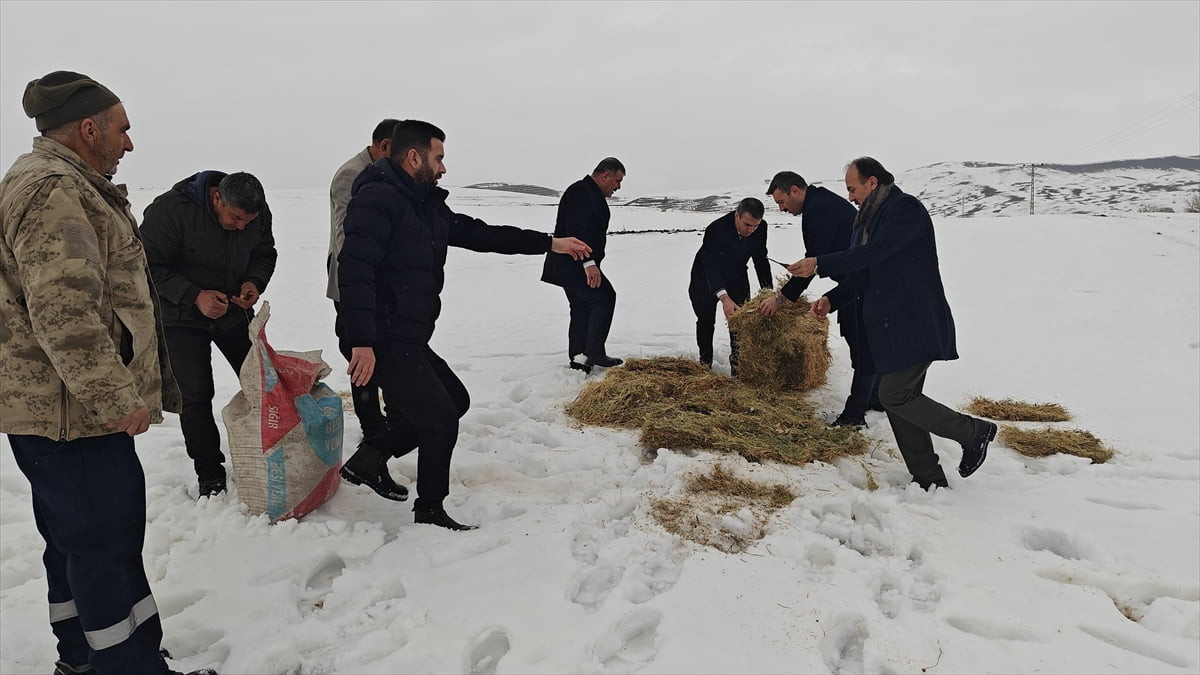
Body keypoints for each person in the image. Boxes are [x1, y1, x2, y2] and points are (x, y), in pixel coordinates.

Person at [0, 71, 187, 675]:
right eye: (121, 129)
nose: (128, 143)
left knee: (76, 544)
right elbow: (64, 310)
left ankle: (80, 659)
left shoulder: (63, 184)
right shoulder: (55, 189)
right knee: (104, 547)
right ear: (88, 129)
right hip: (74, 416)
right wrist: (114, 396)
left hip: (59, 410)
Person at [336, 120, 591, 530]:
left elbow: (481, 233)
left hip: (408, 334)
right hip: (380, 336)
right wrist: (363, 342)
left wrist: (550, 242)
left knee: (454, 400)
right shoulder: (378, 199)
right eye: (438, 157)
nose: (443, 167)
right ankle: (430, 510)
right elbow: (355, 269)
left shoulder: (425, 204)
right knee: (439, 418)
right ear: (413, 157)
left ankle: (370, 457)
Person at [789, 157, 997, 489]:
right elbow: (865, 271)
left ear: (872, 182)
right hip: (892, 327)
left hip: (914, 321)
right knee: (900, 399)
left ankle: (974, 432)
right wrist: (833, 299)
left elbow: (877, 253)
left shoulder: (904, 210)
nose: (850, 197)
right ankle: (928, 477)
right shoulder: (866, 218)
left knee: (895, 395)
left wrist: (819, 263)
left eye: (853, 189)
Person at [140, 171, 277, 497]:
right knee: (196, 395)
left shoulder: (256, 212)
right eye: (235, 219)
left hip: (233, 311)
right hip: (180, 317)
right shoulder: (171, 211)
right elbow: (146, 267)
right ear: (217, 199)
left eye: (248, 221)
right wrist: (194, 295)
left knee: (263, 383)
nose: (242, 226)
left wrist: (253, 283)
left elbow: (264, 252)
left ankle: (271, 456)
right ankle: (209, 472)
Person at [759, 170, 882, 428]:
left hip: (861, 284)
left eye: (782, 202)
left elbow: (813, 263)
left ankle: (854, 415)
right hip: (855, 282)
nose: (781, 209)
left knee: (862, 347)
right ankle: (874, 397)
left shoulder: (819, 210)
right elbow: (817, 258)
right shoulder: (819, 203)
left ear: (795, 190)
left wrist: (780, 299)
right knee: (857, 338)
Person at [328, 118, 398, 441]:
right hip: (353, 284)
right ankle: (373, 429)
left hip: (380, 286)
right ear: (385, 147)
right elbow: (347, 238)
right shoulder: (350, 175)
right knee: (361, 358)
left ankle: (392, 419)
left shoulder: (384, 174)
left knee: (383, 353)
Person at [540, 158, 625, 373]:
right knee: (605, 297)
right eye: (617, 180)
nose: (618, 186)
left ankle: (579, 358)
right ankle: (594, 352)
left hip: (572, 266)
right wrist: (589, 264)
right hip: (575, 264)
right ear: (605, 175)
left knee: (582, 306)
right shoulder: (581, 192)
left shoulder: (587, 191)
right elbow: (577, 231)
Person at [688, 197, 772, 373]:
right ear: (737, 215)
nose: (751, 230)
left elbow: (760, 259)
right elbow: (710, 264)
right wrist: (723, 296)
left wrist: (768, 291)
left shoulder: (760, 228)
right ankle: (705, 364)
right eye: (747, 225)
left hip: (736, 274)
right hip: (705, 276)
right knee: (705, 321)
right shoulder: (716, 229)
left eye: (755, 225)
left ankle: (738, 366)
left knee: (741, 321)